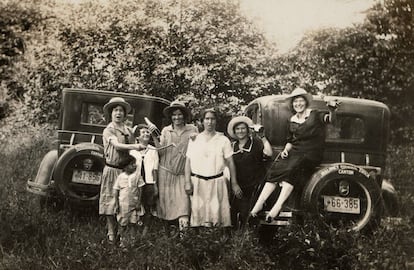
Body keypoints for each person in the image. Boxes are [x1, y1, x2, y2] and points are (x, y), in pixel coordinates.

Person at [250, 88, 339, 222]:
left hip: (312, 153)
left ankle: (277, 206)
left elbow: (330, 120)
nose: (298, 104)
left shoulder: (315, 115)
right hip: (296, 152)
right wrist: (286, 150)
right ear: (292, 104)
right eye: (295, 102)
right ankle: (257, 207)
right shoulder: (292, 120)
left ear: (306, 102)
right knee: (275, 170)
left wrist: (332, 110)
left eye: (301, 101)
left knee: (292, 169)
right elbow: (291, 140)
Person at [99, 97, 146, 243]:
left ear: (125, 114)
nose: (118, 113)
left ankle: (122, 233)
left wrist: (142, 145)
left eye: (121, 111)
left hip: (125, 172)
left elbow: (133, 149)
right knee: (110, 201)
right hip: (112, 169)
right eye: (115, 110)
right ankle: (111, 232)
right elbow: (118, 146)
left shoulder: (127, 130)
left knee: (125, 202)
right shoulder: (109, 130)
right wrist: (135, 146)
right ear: (111, 113)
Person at [184, 108, 237, 228]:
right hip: (198, 182)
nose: (210, 122)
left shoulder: (223, 140)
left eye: (212, 119)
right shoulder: (194, 139)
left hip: (217, 182)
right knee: (198, 216)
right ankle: (199, 243)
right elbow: (188, 161)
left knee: (216, 215)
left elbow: (231, 162)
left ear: (216, 121)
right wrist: (187, 182)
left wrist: (234, 183)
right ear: (202, 121)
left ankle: (216, 243)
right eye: (207, 119)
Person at [155, 101, 198, 235]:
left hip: (182, 173)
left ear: (184, 116)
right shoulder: (166, 130)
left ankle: (184, 240)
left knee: (184, 207)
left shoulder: (193, 129)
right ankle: (167, 240)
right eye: (174, 115)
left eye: (180, 114)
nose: (177, 118)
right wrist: (154, 138)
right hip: (165, 173)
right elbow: (160, 151)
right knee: (165, 207)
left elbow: (198, 150)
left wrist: (196, 139)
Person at [226, 116, 273, 229]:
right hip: (238, 186)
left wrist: (263, 137)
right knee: (235, 214)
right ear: (234, 131)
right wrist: (234, 185)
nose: (240, 131)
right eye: (237, 129)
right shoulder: (232, 146)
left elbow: (269, 153)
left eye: (243, 128)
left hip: (254, 186)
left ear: (248, 130)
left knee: (250, 215)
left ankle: (250, 240)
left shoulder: (256, 143)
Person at [130, 124, 159, 236]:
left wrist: (155, 185)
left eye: (148, 132)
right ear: (137, 137)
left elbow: (155, 169)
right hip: (136, 184)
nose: (146, 134)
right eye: (143, 132)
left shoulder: (153, 150)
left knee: (148, 206)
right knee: (136, 206)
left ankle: (145, 232)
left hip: (149, 183)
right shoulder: (132, 150)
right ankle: (134, 231)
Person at [113, 155, 144, 248]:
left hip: (134, 205)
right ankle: (123, 241)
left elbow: (140, 189)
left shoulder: (137, 176)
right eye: (132, 164)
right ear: (125, 167)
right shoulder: (121, 177)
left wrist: (139, 202)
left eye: (135, 163)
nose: (135, 165)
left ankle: (132, 241)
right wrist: (117, 204)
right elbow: (116, 191)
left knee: (133, 223)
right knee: (122, 223)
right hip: (123, 205)